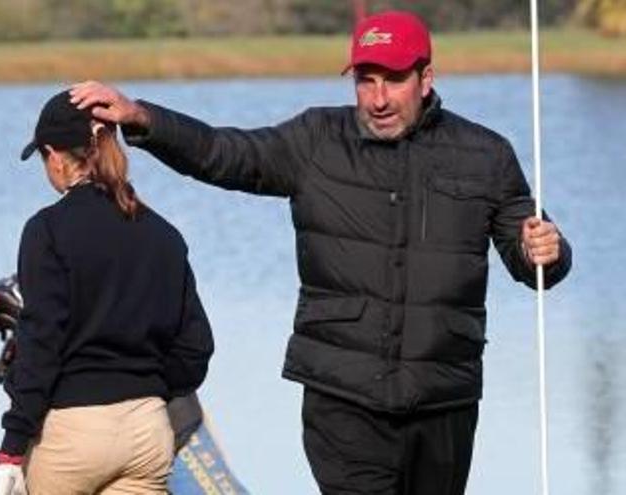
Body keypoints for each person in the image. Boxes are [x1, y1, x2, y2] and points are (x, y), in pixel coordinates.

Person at [71, 9, 571, 494]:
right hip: (343, 399)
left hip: (444, 403)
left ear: (426, 78)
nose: (377, 98)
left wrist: (545, 249)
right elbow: (224, 153)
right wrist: (141, 117)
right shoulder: (314, 140)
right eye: (365, 81)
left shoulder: (486, 154)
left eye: (393, 80)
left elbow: (529, 253)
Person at [0, 90, 214, 495]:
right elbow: (196, 348)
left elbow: (41, 345)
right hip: (147, 432)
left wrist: (12, 445)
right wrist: (146, 392)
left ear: (54, 156)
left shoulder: (48, 230)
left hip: (73, 434)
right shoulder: (163, 234)